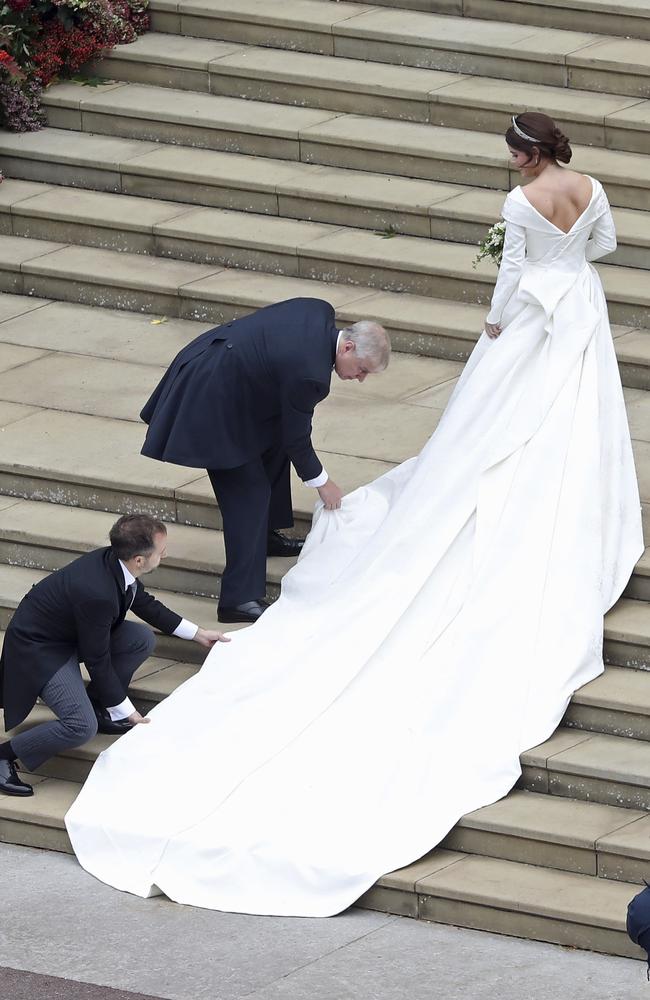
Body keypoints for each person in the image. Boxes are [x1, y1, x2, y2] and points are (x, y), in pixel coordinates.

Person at [65, 113, 642, 917]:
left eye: (513, 153)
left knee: (489, 428)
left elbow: (510, 282)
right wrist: (566, 268)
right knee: (573, 420)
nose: (509, 163)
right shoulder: (590, 188)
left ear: (527, 153)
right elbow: (606, 248)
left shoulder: (519, 204)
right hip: (578, 310)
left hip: (534, 318)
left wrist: (498, 323)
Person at [139, 298, 390, 623]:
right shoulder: (310, 375)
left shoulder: (319, 311)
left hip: (229, 376)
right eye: (362, 369)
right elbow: (298, 439)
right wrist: (322, 482)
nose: (360, 379)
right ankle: (239, 599)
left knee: (273, 445)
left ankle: (266, 537)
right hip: (211, 397)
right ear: (348, 347)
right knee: (249, 494)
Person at [0, 514, 228, 796]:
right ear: (139, 560)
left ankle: (101, 707)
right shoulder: (98, 592)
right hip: (41, 649)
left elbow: (143, 602)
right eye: (161, 550)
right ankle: (4, 755)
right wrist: (127, 710)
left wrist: (197, 633)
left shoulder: (115, 561)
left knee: (140, 639)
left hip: (71, 633)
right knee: (81, 727)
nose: (165, 553)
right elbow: (98, 660)